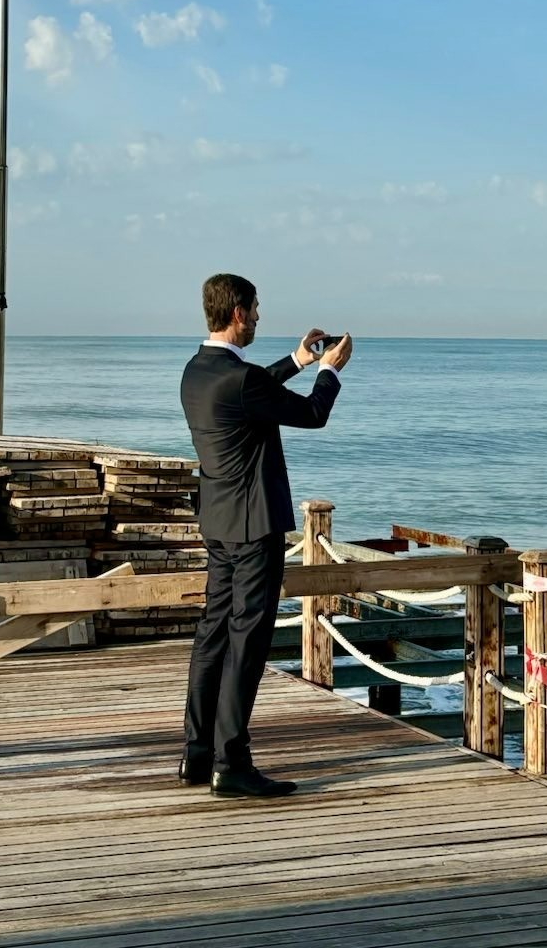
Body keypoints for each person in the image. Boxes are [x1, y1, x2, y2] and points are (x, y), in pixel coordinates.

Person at [179, 272, 352, 798]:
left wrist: (296, 361)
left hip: (218, 522)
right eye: (255, 310)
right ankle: (232, 763)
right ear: (237, 313)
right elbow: (312, 414)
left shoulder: (197, 371)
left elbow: (251, 391)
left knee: (212, 635)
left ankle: (196, 751)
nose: (258, 318)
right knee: (246, 641)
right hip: (254, 527)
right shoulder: (242, 380)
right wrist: (327, 371)